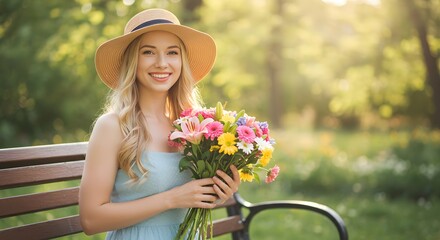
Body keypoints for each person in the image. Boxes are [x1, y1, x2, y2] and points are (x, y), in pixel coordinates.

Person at [79, 8, 241, 239]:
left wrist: (219, 191)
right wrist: (171, 199)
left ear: (181, 62)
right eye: (148, 52)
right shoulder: (113, 126)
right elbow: (90, 219)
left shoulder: (192, 127)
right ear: (132, 61)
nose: (162, 63)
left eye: (172, 53)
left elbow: (192, 197)